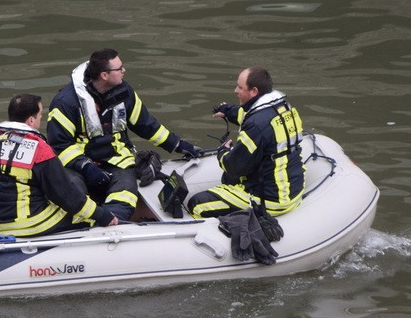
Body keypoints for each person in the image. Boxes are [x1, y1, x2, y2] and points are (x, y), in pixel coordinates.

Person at [47, 48, 200, 221]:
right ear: (104, 75)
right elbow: (60, 146)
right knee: (72, 191)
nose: (124, 70)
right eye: (119, 68)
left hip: (116, 159)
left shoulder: (124, 92)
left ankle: (111, 225)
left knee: (126, 194)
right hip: (79, 165)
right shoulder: (66, 102)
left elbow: (147, 125)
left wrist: (178, 145)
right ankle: (82, 225)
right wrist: (86, 167)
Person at [0, 94, 118, 237]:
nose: (40, 119)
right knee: (82, 217)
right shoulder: (39, 149)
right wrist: (102, 216)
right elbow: (66, 195)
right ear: (31, 120)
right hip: (29, 224)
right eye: (40, 115)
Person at [187, 67, 305, 219]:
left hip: (270, 199)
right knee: (228, 179)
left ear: (254, 91)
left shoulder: (256, 125)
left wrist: (223, 151)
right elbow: (248, 115)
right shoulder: (283, 108)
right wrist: (227, 110)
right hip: (292, 187)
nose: (235, 90)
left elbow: (234, 166)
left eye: (240, 87)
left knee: (197, 204)